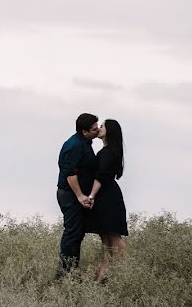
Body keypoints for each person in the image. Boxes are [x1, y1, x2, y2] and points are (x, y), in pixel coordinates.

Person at [85, 119, 128, 284]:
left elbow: (101, 176)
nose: (98, 128)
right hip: (105, 195)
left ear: (109, 130)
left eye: (102, 126)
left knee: (114, 235)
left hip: (108, 195)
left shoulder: (110, 152)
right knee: (105, 236)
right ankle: (103, 274)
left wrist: (91, 195)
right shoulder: (107, 150)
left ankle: (124, 271)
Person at [56, 113, 99, 274]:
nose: (97, 130)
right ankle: (65, 273)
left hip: (76, 195)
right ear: (84, 131)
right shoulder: (73, 145)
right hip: (69, 195)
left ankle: (72, 270)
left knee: (78, 232)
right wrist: (80, 196)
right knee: (72, 232)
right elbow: (70, 173)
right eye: (94, 129)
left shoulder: (86, 143)